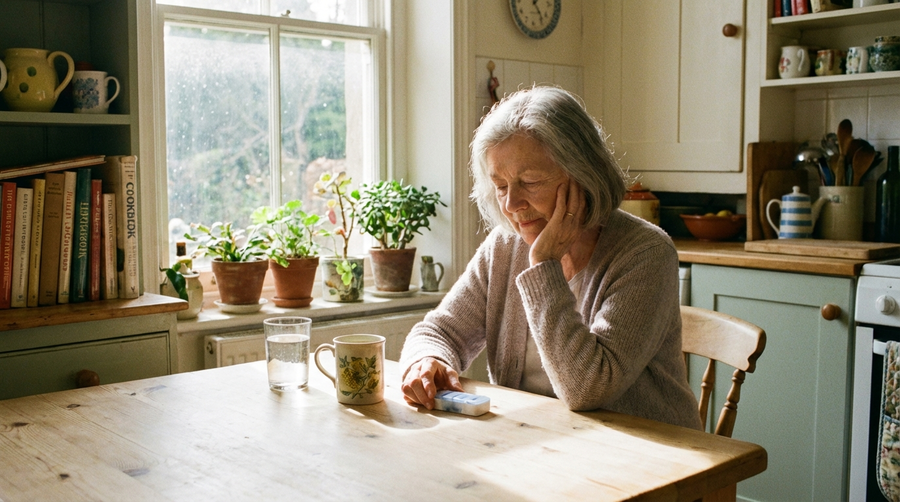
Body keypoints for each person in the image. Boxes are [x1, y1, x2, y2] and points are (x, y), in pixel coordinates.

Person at [398, 86, 701, 430]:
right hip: (542, 445)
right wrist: (427, 360)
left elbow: (587, 389)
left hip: (654, 455)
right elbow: (439, 331)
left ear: (583, 175)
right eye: (500, 186)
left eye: (530, 181)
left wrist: (543, 265)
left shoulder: (646, 254)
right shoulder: (504, 247)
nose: (511, 204)